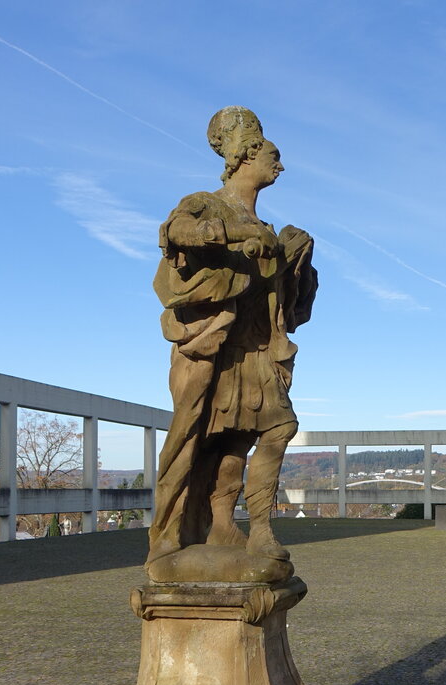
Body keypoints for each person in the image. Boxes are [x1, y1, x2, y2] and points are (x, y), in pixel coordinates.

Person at [147, 106, 317, 580]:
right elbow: (174, 233)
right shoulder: (206, 203)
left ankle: (258, 527)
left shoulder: (268, 228)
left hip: (259, 347)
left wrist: (295, 258)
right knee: (216, 443)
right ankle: (212, 525)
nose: (280, 166)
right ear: (246, 154)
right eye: (273, 155)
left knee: (275, 430)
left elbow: (289, 301)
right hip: (214, 348)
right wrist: (237, 234)